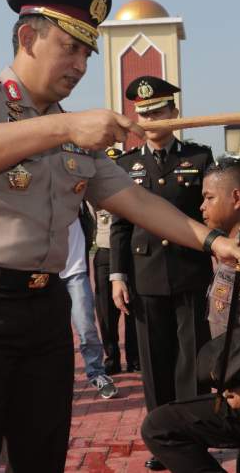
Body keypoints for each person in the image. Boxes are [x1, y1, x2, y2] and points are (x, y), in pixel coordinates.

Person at [0, 0, 240, 473]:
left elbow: (134, 199)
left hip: (44, 307)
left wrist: (213, 240)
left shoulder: (76, 134)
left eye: (88, 54)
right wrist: (66, 127)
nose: (80, 65)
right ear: (28, 39)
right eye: (69, 48)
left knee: (42, 454)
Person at [142, 157, 240, 473]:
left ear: (236, 198)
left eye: (209, 197)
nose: (202, 207)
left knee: (161, 427)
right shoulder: (235, 247)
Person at [110, 75, 215, 471]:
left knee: (192, 359)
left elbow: (210, 213)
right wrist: (117, 276)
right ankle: (162, 440)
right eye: (145, 115)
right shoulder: (125, 164)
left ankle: (192, 438)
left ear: (174, 112)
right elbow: (120, 225)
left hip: (190, 271)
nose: (152, 121)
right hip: (145, 273)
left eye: (159, 112)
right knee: (154, 361)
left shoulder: (199, 159)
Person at [60, 206, 118, 399]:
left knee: (86, 328)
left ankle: (97, 373)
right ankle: (58, 377)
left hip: (76, 273)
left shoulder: (79, 200)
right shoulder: (40, 203)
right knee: (53, 333)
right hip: (48, 276)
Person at [94, 147, 138, 374]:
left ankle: (134, 358)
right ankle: (112, 358)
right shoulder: (95, 189)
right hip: (104, 252)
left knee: (131, 308)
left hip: (127, 253)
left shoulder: (128, 189)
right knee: (106, 312)